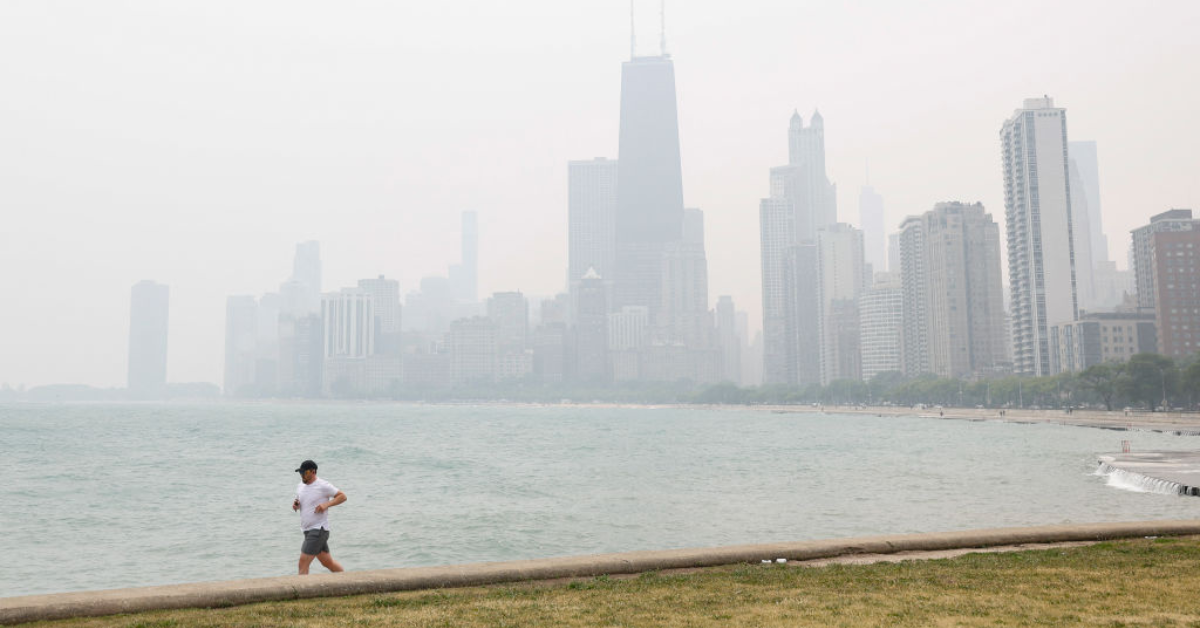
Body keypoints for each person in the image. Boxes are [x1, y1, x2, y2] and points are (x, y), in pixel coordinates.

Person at [292, 459, 347, 575]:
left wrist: (326, 504)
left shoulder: (323, 485)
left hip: (318, 530)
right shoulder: (300, 486)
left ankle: (301, 591)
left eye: (304, 473)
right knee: (327, 562)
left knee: (302, 563)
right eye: (300, 473)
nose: (302, 475)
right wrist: (296, 504)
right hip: (307, 530)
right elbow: (300, 499)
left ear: (313, 472)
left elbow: (342, 496)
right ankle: (349, 580)